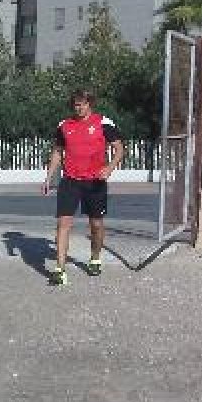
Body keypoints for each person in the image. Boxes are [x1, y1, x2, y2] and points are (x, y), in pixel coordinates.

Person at [42, 89, 125, 285]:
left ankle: (95, 258)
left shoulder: (104, 123)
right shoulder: (64, 126)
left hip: (95, 181)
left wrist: (110, 167)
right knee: (63, 223)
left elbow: (119, 148)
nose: (79, 108)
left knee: (96, 224)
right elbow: (57, 152)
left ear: (90, 104)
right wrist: (48, 178)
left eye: (83, 104)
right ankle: (59, 270)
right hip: (70, 180)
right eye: (76, 105)